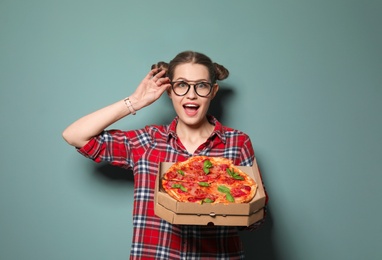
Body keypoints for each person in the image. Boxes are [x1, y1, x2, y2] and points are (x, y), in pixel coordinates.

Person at [62, 50, 267, 259]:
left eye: (201, 85)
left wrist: (227, 208)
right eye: (181, 85)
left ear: (213, 91)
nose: (191, 94)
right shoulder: (147, 142)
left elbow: (256, 219)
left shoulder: (237, 143)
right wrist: (135, 101)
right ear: (170, 91)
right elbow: (75, 135)